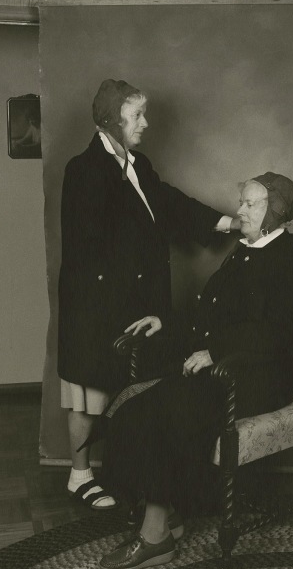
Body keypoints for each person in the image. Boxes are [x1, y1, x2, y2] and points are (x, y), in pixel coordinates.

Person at [97, 172, 293, 569]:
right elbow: (209, 315)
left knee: (170, 412)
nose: (240, 211)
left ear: (276, 212)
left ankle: (155, 538)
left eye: (251, 204)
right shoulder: (245, 250)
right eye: (242, 202)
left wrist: (216, 351)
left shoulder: (290, 260)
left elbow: (279, 333)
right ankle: (167, 514)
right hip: (225, 370)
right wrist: (167, 323)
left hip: (261, 376)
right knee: (139, 409)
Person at [58, 79, 240, 510]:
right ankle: (78, 475)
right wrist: (123, 303)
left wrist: (226, 223)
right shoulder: (84, 170)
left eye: (143, 114)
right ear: (110, 121)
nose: (146, 123)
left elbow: (171, 204)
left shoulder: (138, 164)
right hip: (95, 304)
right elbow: (90, 245)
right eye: (137, 115)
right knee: (89, 391)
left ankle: (124, 476)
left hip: (137, 306)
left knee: (128, 392)